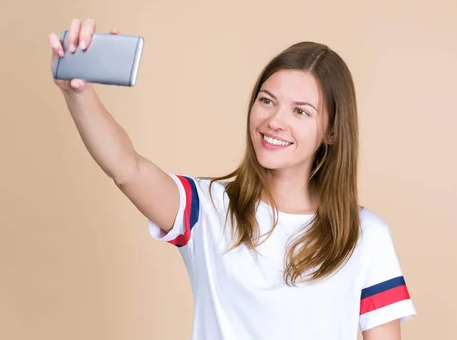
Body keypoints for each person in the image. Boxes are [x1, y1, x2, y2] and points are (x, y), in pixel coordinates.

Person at [48, 18, 417, 340]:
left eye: (301, 111)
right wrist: (79, 94)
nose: (274, 120)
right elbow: (126, 168)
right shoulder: (206, 209)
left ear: (332, 132)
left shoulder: (366, 236)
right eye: (267, 100)